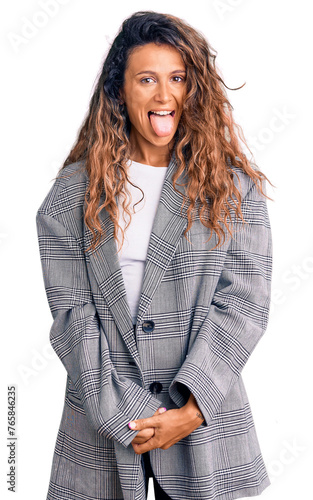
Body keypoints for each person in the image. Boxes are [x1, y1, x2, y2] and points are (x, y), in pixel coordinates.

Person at [36, 10, 273, 500]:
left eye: (178, 78)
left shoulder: (232, 190)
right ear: (119, 90)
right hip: (100, 426)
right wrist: (126, 417)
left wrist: (188, 412)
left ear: (194, 90)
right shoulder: (70, 195)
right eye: (147, 79)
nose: (164, 96)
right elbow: (72, 317)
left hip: (204, 426)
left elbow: (244, 304)